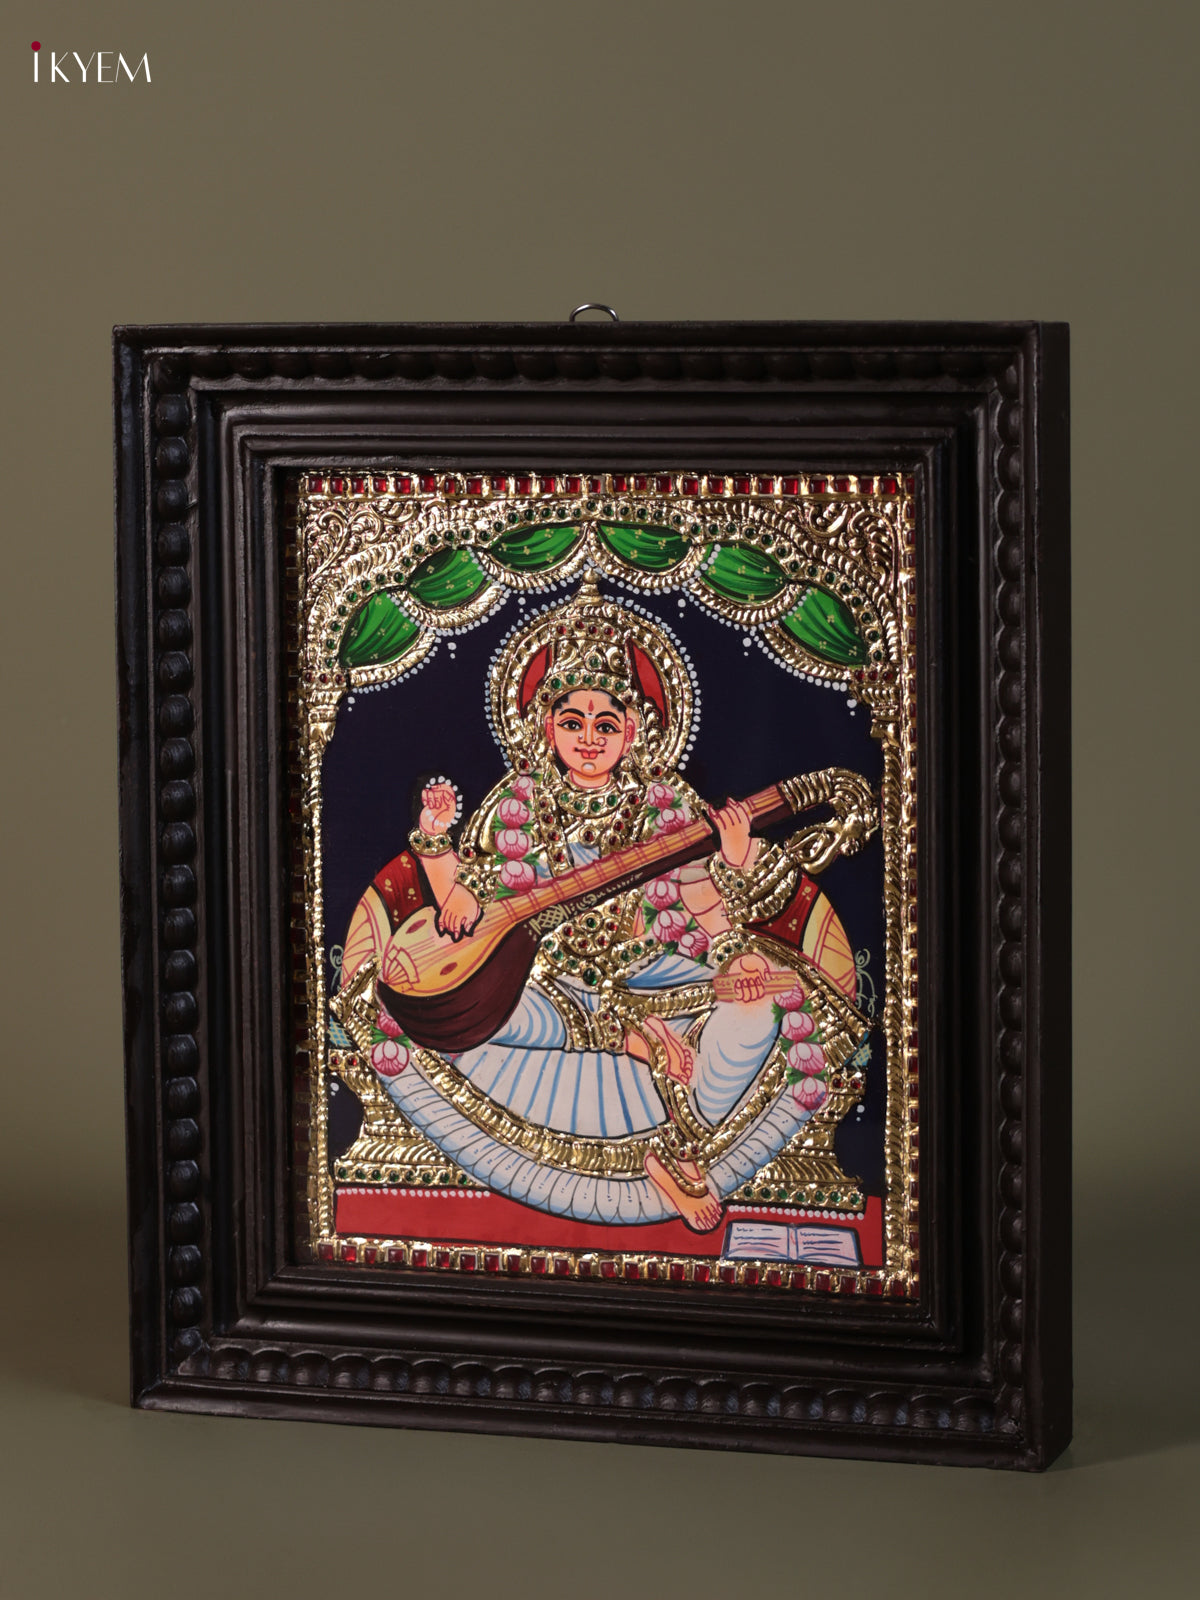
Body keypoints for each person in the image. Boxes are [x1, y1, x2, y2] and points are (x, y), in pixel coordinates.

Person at [341, 575, 867, 1231]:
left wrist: (733, 878)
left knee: (759, 1007)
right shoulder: (517, 805)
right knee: (456, 1017)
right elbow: (469, 915)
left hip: (656, 975)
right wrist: (437, 846)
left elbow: (704, 909)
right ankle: (638, 1062)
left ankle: (679, 1144)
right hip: (546, 984)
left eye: (606, 724)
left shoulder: (667, 805)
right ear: (546, 728)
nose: (589, 738)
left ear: (633, 731)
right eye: (572, 722)